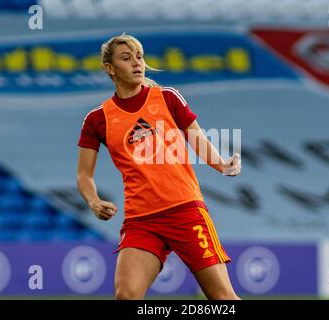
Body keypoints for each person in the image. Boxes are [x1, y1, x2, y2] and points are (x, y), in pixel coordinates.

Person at [76, 34, 242, 300]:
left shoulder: (167, 97)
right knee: (126, 296)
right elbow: (84, 174)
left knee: (222, 298)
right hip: (141, 221)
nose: (136, 64)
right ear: (110, 68)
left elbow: (197, 140)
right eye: (126, 58)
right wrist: (94, 201)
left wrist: (222, 165)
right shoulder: (97, 119)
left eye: (139, 57)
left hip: (185, 212)